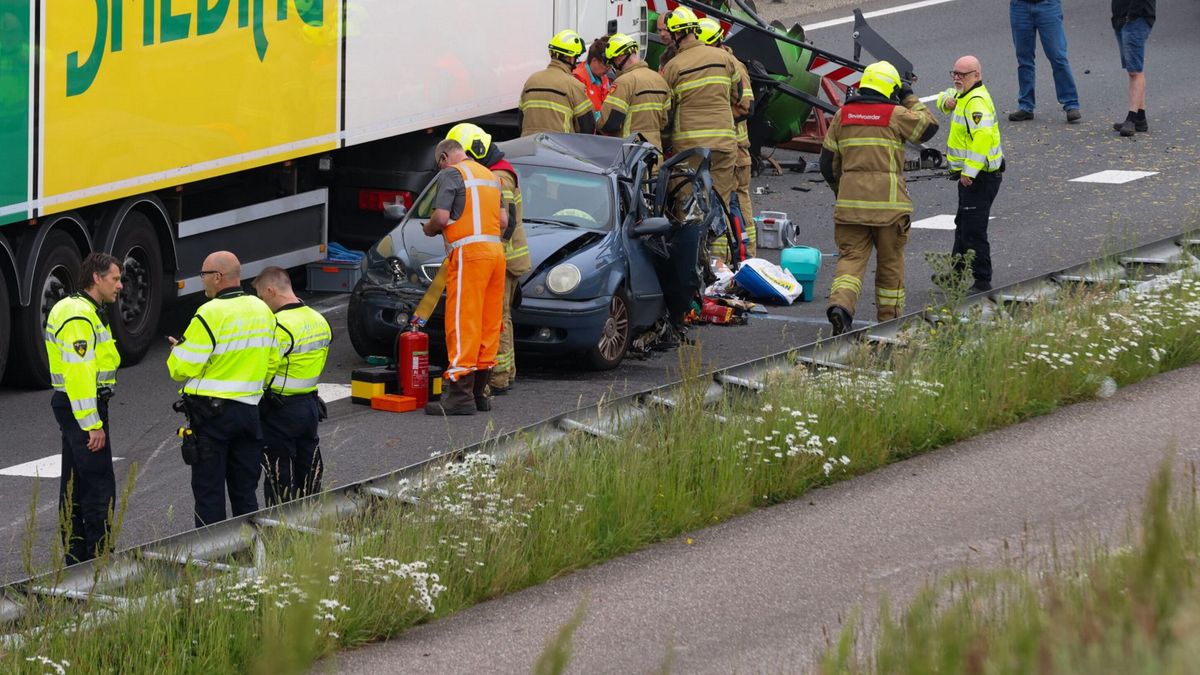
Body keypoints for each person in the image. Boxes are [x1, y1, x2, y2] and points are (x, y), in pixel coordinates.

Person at [820, 61, 939, 335]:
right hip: (890, 210)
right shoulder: (895, 113)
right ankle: (889, 322)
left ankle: (841, 307)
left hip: (850, 207)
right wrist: (908, 95)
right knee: (890, 262)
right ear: (890, 89)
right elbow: (929, 126)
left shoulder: (843, 115)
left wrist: (842, 192)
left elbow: (827, 163)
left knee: (850, 260)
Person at [167, 251, 278, 527]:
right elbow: (273, 360)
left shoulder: (210, 312)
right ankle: (252, 556)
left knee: (209, 495)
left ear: (217, 277)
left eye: (203, 274)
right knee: (245, 493)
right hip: (249, 415)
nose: (202, 280)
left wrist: (177, 350)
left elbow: (180, 368)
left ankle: (212, 565)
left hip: (212, 417)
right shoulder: (262, 309)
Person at [444, 123, 532, 396]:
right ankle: (505, 373)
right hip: (500, 257)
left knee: (497, 318)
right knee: (497, 317)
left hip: (501, 259)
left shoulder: (499, 177)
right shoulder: (495, 173)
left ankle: (498, 378)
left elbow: (506, 221)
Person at [45, 252, 122, 564]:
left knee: (75, 484)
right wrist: (92, 423)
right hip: (82, 406)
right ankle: (97, 557)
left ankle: (77, 556)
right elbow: (78, 373)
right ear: (97, 278)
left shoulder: (80, 308)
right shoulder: (78, 315)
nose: (120, 286)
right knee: (97, 485)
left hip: (76, 405)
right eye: (115, 279)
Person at [422, 138, 507, 415]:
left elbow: (442, 217)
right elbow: (505, 222)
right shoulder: (492, 177)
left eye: (439, 164)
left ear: (445, 157)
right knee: (488, 322)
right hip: (496, 254)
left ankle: (459, 397)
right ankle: (479, 393)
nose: (440, 168)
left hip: (470, 256)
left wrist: (429, 229)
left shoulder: (451, 174)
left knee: (462, 320)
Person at [253, 266, 331, 505]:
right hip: (309, 406)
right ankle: (311, 521)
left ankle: (281, 532)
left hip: (280, 410)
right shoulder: (320, 320)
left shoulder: (277, 325)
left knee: (280, 478)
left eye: (261, 297)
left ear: (270, 290)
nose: (262, 303)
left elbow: (265, 371)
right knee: (309, 472)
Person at [660, 7, 746, 215]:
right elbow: (739, 97)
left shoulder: (673, 66)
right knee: (720, 207)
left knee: (691, 210)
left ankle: (696, 247)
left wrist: (663, 143)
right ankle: (719, 247)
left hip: (690, 148)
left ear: (678, 34)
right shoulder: (725, 59)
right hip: (724, 145)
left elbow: (666, 113)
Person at [936, 55, 1006, 293]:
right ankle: (956, 275)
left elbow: (982, 138)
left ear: (976, 75)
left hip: (980, 178)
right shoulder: (963, 93)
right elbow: (945, 95)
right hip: (971, 177)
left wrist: (970, 172)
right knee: (963, 225)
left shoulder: (976, 101)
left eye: (962, 75)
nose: (957, 78)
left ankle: (982, 281)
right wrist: (945, 101)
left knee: (974, 230)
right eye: (954, 73)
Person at [697, 16, 757, 261]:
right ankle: (736, 258)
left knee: (734, 203)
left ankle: (743, 257)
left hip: (737, 148)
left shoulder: (733, 65)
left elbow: (747, 107)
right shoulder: (720, 63)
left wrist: (713, 116)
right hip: (728, 146)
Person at [1008, 0, 1082, 123]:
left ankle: (1071, 104)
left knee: (1058, 57)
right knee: (1024, 59)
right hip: (1019, 6)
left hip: (1048, 5)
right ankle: (1026, 106)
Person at [598, 32, 672, 152]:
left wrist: (596, 119)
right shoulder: (660, 80)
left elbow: (609, 124)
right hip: (654, 155)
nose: (614, 67)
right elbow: (665, 122)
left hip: (630, 157)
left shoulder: (624, 82)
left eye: (613, 62)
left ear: (620, 57)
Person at [519, 30, 596, 136]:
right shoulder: (574, 85)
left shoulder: (531, 80)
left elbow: (521, 119)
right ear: (570, 57)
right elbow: (587, 127)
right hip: (560, 149)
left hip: (530, 147)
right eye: (576, 57)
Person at [1111, 0, 1155, 136]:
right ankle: (1140, 119)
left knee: (1135, 71)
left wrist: (1132, 15)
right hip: (1122, 19)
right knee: (1133, 70)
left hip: (1136, 19)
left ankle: (1131, 117)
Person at [573, 37, 615, 115]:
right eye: (606, 66)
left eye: (611, 66)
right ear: (594, 61)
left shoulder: (602, 75)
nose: (608, 70)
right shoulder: (578, 79)